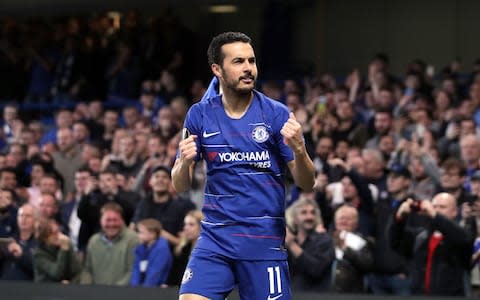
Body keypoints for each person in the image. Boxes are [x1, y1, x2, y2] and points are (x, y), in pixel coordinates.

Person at [172, 32, 315, 300]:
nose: (248, 68)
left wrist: (299, 149)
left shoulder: (276, 114)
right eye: (238, 61)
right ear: (217, 69)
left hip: (263, 245)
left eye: (251, 60)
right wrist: (184, 163)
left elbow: (307, 183)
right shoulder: (199, 114)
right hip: (215, 240)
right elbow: (180, 185)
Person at [391, 193, 474, 296]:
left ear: (455, 212)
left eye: (442, 207)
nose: (436, 210)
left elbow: (464, 240)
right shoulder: (421, 237)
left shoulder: (461, 234)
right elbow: (394, 242)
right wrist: (399, 218)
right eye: (434, 206)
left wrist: (434, 214)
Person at [80, 203, 138, 286]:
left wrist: (112, 292)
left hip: (123, 295)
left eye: (115, 220)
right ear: (101, 221)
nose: (111, 224)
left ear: (122, 220)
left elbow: (132, 271)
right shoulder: (93, 241)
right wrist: (87, 290)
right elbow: (87, 270)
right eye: (108, 220)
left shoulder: (132, 239)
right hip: (95, 295)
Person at [284, 198, 335, 292]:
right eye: (304, 213)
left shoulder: (325, 240)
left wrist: (292, 245)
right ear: (294, 219)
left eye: (313, 213)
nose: (309, 217)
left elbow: (316, 269)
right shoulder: (286, 244)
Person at [33, 218, 81, 283]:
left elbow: (77, 271)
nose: (59, 236)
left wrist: (71, 283)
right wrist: (63, 250)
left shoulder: (66, 243)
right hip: (46, 288)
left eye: (58, 231)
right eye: (54, 233)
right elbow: (56, 273)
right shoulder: (39, 254)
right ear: (45, 238)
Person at [130, 218, 172, 287]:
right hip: (141, 290)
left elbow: (154, 275)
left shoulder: (162, 249)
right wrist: (134, 290)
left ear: (152, 234)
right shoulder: (139, 248)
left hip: (156, 290)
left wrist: (144, 294)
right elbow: (136, 271)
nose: (138, 235)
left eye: (141, 232)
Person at [168, 210, 203, 286]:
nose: (186, 228)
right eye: (185, 224)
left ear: (202, 227)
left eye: (191, 225)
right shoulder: (182, 249)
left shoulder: (208, 251)